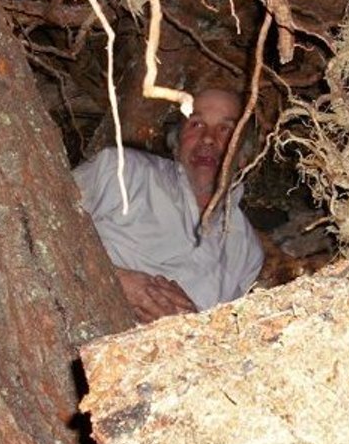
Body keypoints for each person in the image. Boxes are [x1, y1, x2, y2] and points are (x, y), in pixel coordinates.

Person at [73, 88, 264, 323]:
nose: (208, 138)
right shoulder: (120, 172)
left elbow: (224, 337)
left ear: (245, 155)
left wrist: (190, 325)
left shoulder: (246, 249)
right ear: (176, 143)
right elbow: (33, 225)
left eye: (226, 130)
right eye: (196, 124)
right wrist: (113, 280)